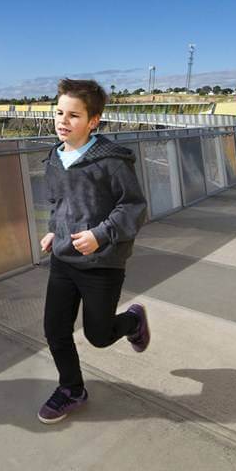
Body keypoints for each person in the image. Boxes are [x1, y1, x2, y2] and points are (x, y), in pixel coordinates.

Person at [38, 78, 149, 424]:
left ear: (94, 121)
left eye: (73, 115)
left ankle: (133, 320)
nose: (63, 121)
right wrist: (53, 232)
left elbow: (133, 207)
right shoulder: (54, 159)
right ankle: (72, 389)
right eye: (59, 112)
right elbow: (59, 203)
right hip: (63, 259)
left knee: (98, 336)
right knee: (55, 330)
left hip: (103, 262)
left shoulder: (112, 161)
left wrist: (101, 235)